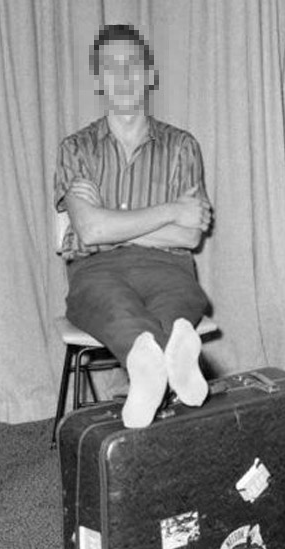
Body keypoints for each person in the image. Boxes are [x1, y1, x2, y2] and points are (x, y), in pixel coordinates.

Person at [54, 24, 212, 428]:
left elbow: (190, 234)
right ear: (98, 80)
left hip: (168, 266)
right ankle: (149, 358)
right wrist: (171, 210)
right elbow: (90, 232)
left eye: (133, 65)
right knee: (113, 304)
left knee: (179, 301)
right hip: (95, 268)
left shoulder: (182, 146)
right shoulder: (76, 148)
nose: (123, 76)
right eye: (111, 67)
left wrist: (109, 220)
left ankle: (167, 354)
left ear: (150, 74)